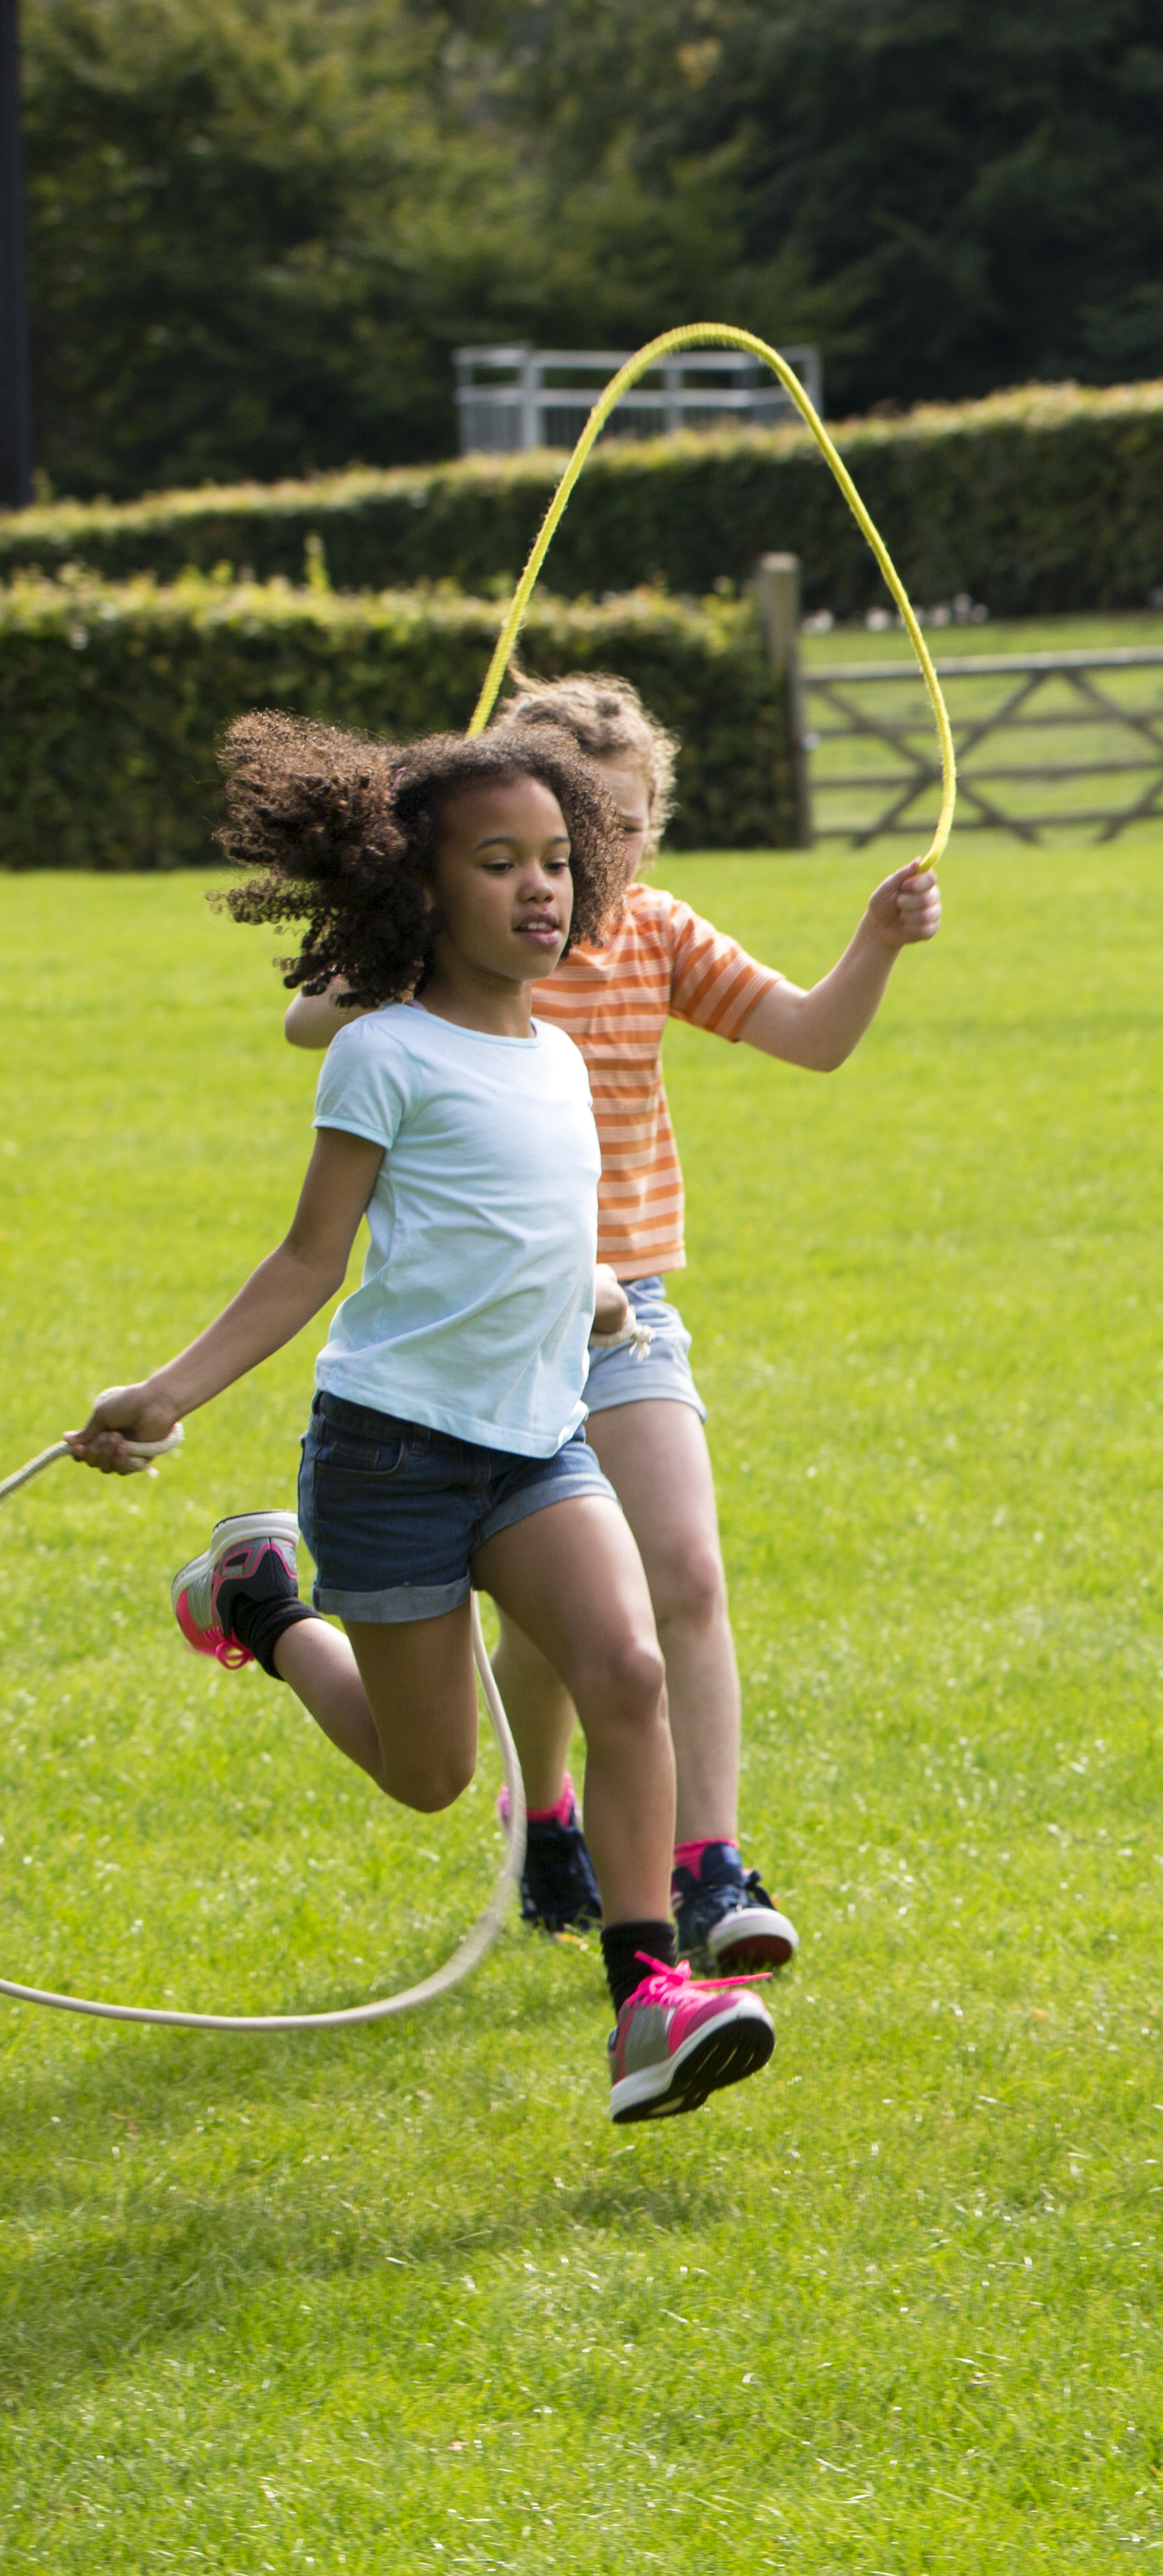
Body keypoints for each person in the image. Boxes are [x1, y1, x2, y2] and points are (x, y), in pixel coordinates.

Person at [64, 715, 776, 2124]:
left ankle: (647, 1995)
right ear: (418, 889)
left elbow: (525, 1228)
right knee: (431, 1774)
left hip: (536, 1443)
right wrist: (165, 1395)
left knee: (627, 1671)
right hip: (392, 1453)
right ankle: (263, 1602)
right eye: (499, 862)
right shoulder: (382, 1053)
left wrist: (590, 1293)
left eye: (560, 861)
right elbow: (311, 1261)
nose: (542, 888)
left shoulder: (559, 1061)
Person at [281, 674, 943, 1978]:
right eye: (576, 834)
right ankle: (547, 1820)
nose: (600, 861)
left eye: (627, 829)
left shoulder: (651, 931)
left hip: (619, 1309)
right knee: (541, 1635)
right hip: (478, 1332)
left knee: (678, 1579)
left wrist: (874, 938)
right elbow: (311, 1023)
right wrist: (394, 927)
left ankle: (710, 1868)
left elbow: (809, 1037)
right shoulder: (454, 956)